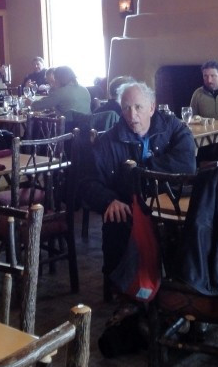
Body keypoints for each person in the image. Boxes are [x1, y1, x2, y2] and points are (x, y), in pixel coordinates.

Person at [80, 82, 196, 282]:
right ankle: (126, 287)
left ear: (151, 107)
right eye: (126, 108)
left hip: (170, 204)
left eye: (138, 107)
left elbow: (186, 165)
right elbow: (88, 182)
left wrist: (138, 171)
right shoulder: (108, 141)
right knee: (117, 219)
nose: (132, 114)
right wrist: (109, 200)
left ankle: (183, 283)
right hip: (129, 207)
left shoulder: (173, 128)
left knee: (200, 219)